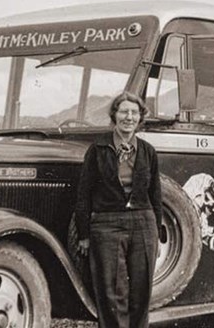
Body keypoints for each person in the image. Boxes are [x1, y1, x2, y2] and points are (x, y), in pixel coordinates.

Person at [75, 92, 164, 328]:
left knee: (141, 290)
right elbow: (83, 194)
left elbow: (156, 194)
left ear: (140, 117)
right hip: (106, 225)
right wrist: (84, 234)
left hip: (143, 223)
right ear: (114, 115)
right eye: (124, 111)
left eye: (134, 113)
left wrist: (156, 232)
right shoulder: (98, 149)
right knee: (112, 293)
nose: (129, 117)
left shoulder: (148, 151)